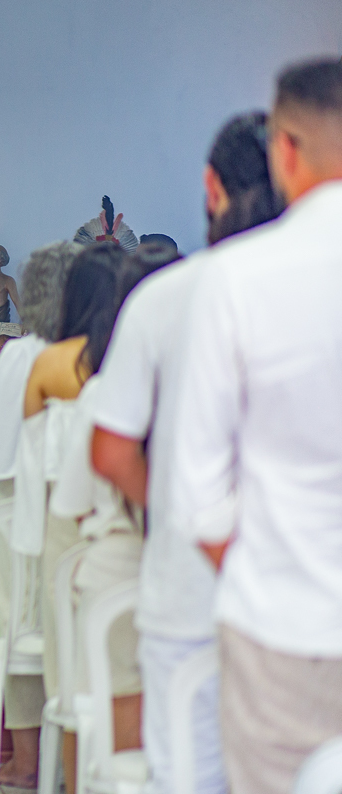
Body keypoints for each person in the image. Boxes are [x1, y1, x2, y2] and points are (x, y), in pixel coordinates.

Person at [91, 111, 279, 794]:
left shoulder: (165, 297)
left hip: (191, 587)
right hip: (303, 596)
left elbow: (110, 453)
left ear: (211, 189)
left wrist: (177, 508)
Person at [169, 59, 342, 794]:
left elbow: (197, 492)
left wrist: (267, 570)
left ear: (285, 151)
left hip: (281, 626)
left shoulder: (235, 278)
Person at [16, 243, 131, 794]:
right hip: (123, 512)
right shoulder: (130, 361)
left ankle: (70, 780)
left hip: (61, 511)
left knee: (69, 661)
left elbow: (27, 446)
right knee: (125, 657)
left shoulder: (51, 363)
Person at [0, 240, 78, 788]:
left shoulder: (20, 356)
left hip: (18, 510)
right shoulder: (93, 356)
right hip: (81, 514)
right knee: (71, 628)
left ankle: (28, 760)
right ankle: (75, 753)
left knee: (22, 626)